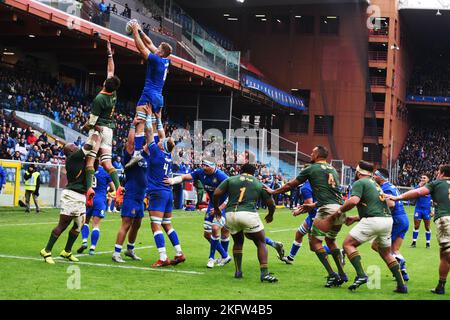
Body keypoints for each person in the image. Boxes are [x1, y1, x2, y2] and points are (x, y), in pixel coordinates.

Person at [264, 145, 347, 287]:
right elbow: (332, 194)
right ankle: (342, 274)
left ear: (318, 155)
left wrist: (273, 192)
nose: (310, 153)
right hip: (340, 209)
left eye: (313, 152)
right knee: (330, 241)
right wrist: (313, 206)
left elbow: (290, 185)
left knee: (315, 244)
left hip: (326, 209)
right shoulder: (333, 169)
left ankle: (332, 275)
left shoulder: (311, 169)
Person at [337, 161, 407, 293]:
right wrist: (356, 218)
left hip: (373, 220)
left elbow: (353, 201)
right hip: (387, 220)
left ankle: (361, 275)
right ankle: (401, 285)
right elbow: (379, 205)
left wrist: (339, 211)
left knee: (347, 245)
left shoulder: (359, 183)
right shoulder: (376, 184)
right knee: (386, 253)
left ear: (358, 173)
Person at [387, 164, 450, 295]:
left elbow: (417, 192)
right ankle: (440, 286)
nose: (437, 174)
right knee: (444, 255)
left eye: (438, 172)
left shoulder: (437, 183)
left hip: (445, 219)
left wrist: (398, 197)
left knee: (447, 254)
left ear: (442, 173)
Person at [213, 163, 278, 283]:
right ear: (254, 173)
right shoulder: (258, 183)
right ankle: (264, 273)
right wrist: (270, 214)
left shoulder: (230, 179)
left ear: (241, 170)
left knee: (238, 242)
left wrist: (217, 208)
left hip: (230, 215)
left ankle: (238, 272)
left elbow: (216, 193)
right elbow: (271, 203)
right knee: (261, 242)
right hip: (248, 214)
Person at [165, 159, 232, 268]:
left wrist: (220, 208)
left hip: (224, 205)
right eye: (203, 165)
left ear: (213, 166)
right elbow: (185, 177)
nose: (204, 167)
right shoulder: (200, 172)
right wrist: (173, 180)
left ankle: (212, 258)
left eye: (206, 165)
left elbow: (231, 194)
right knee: (207, 234)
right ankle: (224, 256)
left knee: (216, 229)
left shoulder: (222, 176)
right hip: (212, 204)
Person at [126, 20, 172, 167]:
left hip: (149, 94)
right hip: (159, 97)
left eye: (158, 48)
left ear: (162, 52)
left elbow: (141, 48)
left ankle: (137, 153)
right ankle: (152, 153)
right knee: (151, 126)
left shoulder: (156, 60)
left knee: (139, 122)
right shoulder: (165, 61)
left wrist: (134, 30)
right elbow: (149, 42)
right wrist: (140, 31)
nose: (156, 48)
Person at [40, 140, 94, 264]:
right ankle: (46, 250)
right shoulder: (72, 157)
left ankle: (67, 251)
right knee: (63, 225)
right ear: (70, 151)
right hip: (71, 196)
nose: (76, 146)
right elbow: (88, 146)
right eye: (74, 146)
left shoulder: (79, 159)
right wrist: (95, 135)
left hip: (80, 196)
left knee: (78, 225)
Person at [82, 40, 121, 206]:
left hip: (98, 131)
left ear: (105, 83)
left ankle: (89, 190)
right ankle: (119, 188)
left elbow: (92, 121)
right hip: (109, 131)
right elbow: (111, 69)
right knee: (107, 163)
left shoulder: (99, 99)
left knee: (89, 161)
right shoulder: (113, 93)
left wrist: (84, 126)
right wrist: (109, 54)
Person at [145, 111, 185, 267]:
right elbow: (161, 135)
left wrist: (149, 116)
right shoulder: (168, 155)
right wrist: (159, 118)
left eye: (162, 140)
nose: (160, 140)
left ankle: (163, 257)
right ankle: (179, 253)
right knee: (167, 224)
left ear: (162, 145)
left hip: (157, 192)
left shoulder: (156, 152)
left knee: (155, 224)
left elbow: (149, 132)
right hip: (167, 192)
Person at [112, 117, 149, 263]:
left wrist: (148, 123)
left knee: (137, 224)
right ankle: (116, 253)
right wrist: (133, 126)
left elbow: (150, 144)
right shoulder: (129, 157)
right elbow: (131, 143)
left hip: (140, 197)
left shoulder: (144, 156)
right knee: (126, 224)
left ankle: (130, 249)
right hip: (131, 195)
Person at [373, 168, 410, 281]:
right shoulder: (391, 186)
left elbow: (391, 204)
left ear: (381, 177)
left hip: (397, 220)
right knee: (394, 249)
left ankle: (397, 262)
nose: (373, 177)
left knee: (376, 245)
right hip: (403, 220)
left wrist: (375, 208)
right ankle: (402, 273)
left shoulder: (385, 188)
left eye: (375, 175)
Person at [77, 166, 115, 255]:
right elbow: (113, 187)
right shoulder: (105, 171)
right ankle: (92, 248)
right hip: (100, 200)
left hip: (89, 199)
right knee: (96, 225)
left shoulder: (87, 170)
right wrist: (107, 192)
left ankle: (84, 241)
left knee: (85, 222)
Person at [412, 174, 433, 248]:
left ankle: (428, 243)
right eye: (421, 178)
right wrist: (418, 186)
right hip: (418, 209)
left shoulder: (431, 188)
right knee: (416, 226)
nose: (422, 179)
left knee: (427, 227)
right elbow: (413, 193)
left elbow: (435, 200)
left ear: (428, 180)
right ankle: (414, 242)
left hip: (427, 210)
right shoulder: (418, 187)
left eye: (424, 178)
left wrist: (433, 210)